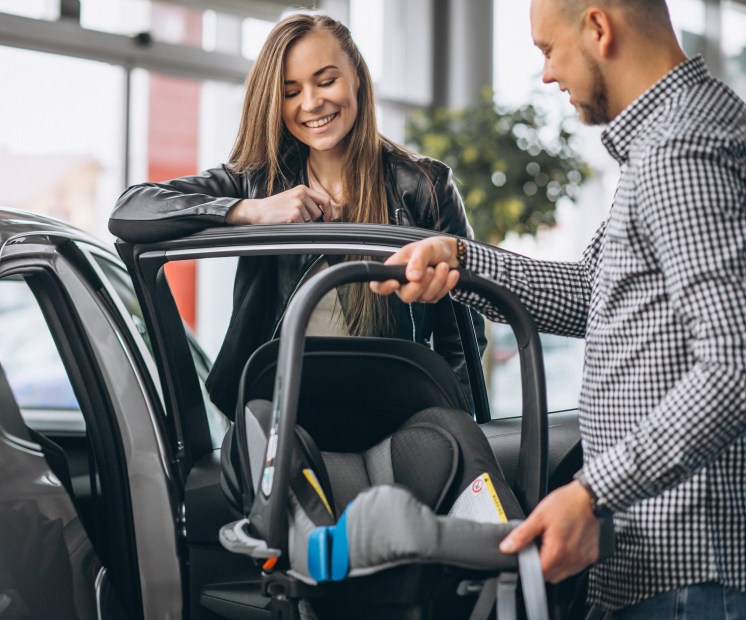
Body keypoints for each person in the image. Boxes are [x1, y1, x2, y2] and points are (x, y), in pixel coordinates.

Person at [373, 0, 746, 617]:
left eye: (548, 49)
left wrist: (594, 491)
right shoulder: (667, 140)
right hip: (665, 565)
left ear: (598, 28)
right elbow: (590, 293)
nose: (546, 74)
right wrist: (462, 263)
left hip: (691, 568)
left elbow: (734, 365)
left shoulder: (680, 148)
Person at [110, 13, 482, 415]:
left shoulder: (425, 185)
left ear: (356, 76)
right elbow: (130, 210)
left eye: (326, 81)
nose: (311, 103)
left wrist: (452, 422)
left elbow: (461, 338)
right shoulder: (256, 182)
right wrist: (248, 211)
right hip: (279, 415)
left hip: (395, 411)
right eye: (290, 91)